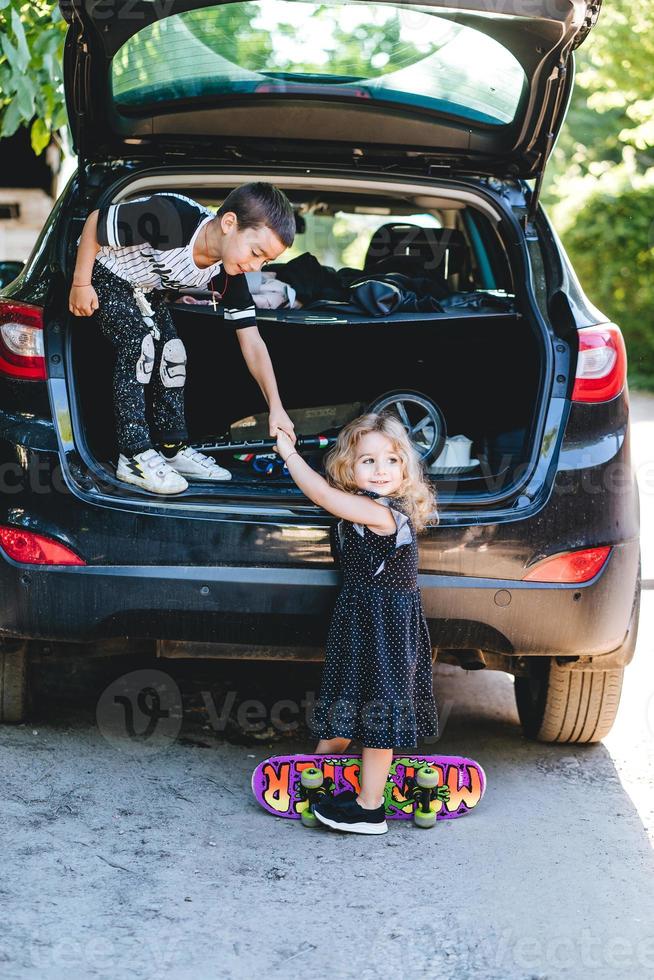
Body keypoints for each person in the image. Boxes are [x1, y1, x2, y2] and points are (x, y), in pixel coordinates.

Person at [69, 183, 297, 493]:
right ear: (229, 223)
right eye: (256, 252)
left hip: (143, 288)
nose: (255, 266)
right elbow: (96, 221)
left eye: (265, 262)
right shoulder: (171, 218)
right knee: (140, 344)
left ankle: (171, 449)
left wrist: (277, 406)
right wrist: (81, 284)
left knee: (174, 352)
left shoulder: (229, 272)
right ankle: (133, 454)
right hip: (102, 270)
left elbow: (253, 341)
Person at [274, 413, 439, 835]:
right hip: (361, 623)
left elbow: (322, 495)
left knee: (378, 713)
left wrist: (289, 454)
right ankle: (316, 778)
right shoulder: (365, 508)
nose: (381, 470)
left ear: (405, 469)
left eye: (391, 460)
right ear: (349, 467)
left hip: (384, 629)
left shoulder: (385, 514)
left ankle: (370, 808)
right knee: (345, 705)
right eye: (368, 461)